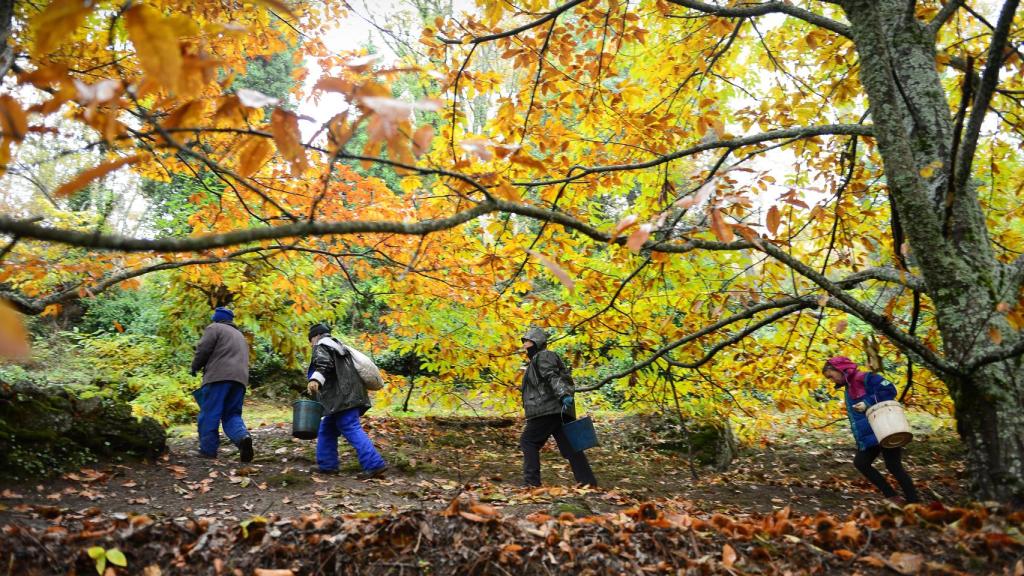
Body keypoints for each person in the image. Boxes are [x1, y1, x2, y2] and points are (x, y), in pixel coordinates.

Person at [823, 356, 919, 503]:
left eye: (831, 376)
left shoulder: (867, 378)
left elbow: (889, 389)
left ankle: (914, 502)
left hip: (886, 429)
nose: (832, 380)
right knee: (861, 463)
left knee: (894, 466)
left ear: (840, 368)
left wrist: (867, 402)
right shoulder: (849, 388)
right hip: (870, 435)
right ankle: (892, 496)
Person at [306, 323, 388, 479]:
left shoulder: (322, 345)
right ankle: (327, 465)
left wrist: (315, 380)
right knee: (327, 428)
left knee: (350, 426)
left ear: (315, 336)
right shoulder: (339, 347)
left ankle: (374, 464)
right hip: (346, 398)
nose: (311, 345)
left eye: (310, 341)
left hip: (343, 399)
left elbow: (323, 364)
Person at [519, 327, 597, 488]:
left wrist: (563, 394)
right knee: (571, 448)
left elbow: (552, 376)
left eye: (526, 342)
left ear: (535, 342)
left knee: (528, 441)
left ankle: (531, 483)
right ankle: (588, 483)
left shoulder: (544, 356)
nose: (524, 346)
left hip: (548, 409)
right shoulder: (537, 361)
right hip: (557, 410)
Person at [190, 306, 254, 462]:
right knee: (231, 414)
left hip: (218, 377)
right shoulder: (240, 336)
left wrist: (195, 367)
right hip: (240, 380)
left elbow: (203, 350)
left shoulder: (214, 328)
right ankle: (242, 438)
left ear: (216, 318)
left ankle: (208, 450)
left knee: (210, 413)